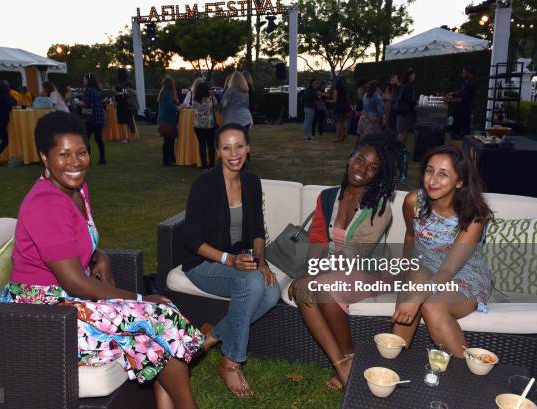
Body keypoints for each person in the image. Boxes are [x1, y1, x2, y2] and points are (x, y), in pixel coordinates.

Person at [0, 111, 203, 409]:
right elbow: (74, 281)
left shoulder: (77, 188)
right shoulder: (46, 204)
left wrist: (99, 255)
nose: (75, 162)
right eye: (63, 154)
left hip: (69, 298)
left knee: (154, 328)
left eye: (81, 152)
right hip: (40, 314)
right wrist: (138, 298)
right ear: (44, 157)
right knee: (157, 316)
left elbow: (75, 242)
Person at [287, 134, 403, 390]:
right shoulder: (327, 197)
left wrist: (313, 277)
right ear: (351, 157)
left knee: (321, 288)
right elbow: (317, 240)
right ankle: (343, 363)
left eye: (373, 168)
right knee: (307, 290)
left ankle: (348, 356)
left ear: (378, 175)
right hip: (334, 272)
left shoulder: (381, 207)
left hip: (371, 272)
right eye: (360, 160)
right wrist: (307, 272)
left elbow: (354, 254)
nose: (363, 169)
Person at [183, 123, 279, 397]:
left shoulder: (252, 181)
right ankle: (232, 361)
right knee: (251, 285)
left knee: (272, 292)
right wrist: (228, 260)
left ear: (248, 148)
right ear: (217, 152)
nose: (233, 153)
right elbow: (191, 240)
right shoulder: (204, 184)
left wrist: (260, 261)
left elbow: (258, 231)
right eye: (226, 147)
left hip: (241, 260)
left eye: (239, 146)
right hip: (202, 264)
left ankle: (212, 335)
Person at [392, 145, 493, 360]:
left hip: (463, 273)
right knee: (415, 277)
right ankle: (394, 364)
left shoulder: (473, 215)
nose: (433, 180)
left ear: (460, 181)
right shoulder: (413, 202)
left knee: (431, 305)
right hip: (424, 266)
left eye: (443, 174)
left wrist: (418, 295)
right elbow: (410, 238)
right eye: (429, 170)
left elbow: (448, 268)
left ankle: (467, 379)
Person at [78, 73, 106, 164]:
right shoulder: (97, 90)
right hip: (99, 118)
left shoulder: (88, 90)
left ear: (88, 80)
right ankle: (102, 159)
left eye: (84, 79)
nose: (83, 81)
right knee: (98, 139)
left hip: (90, 118)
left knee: (85, 139)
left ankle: (88, 160)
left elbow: (86, 104)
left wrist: (77, 102)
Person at [192, 81, 219, 169]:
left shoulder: (195, 99)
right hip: (209, 125)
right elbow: (217, 107)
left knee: (202, 145)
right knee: (211, 145)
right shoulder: (211, 98)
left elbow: (193, 107)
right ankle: (212, 163)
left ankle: (204, 165)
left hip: (198, 126)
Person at [446, 67, 476, 138]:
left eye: (464, 72)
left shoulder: (472, 84)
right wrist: (452, 93)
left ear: (469, 73)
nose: (462, 74)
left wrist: (450, 101)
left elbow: (463, 99)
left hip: (465, 110)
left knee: (463, 130)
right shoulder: (465, 82)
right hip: (459, 108)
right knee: (455, 123)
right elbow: (460, 91)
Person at [157, 75, 180, 166]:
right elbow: (169, 106)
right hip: (168, 120)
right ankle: (167, 160)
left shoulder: (164, 92)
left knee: (169, 141)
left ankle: (170, 159)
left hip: (165, 119)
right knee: (168, 141)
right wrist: (178, 108)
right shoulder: (167, 93)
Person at [330, 76, 351, 143]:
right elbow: (347, 99)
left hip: (339, 106)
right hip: (345, 106)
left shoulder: (337, 89)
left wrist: (330, 101)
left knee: (339, 122)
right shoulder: (345, 89)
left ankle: (337, 137)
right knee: (344, 122)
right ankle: (343, 136)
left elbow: (335, 100)